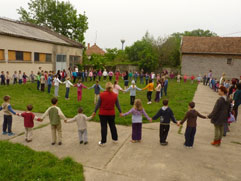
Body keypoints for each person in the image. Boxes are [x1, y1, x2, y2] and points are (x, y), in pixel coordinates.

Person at [93, 82, 122, 146]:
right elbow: (118, 105)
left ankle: (103, 142)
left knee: (104, 127)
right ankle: (115, 139)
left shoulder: (102, 95)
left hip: (102, 114)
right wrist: (120, 112)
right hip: (111, 114)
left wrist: (94, 111)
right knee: (112, 126)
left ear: (106, 87)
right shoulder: (115, 95)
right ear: (112, 87)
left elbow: (98, 104)